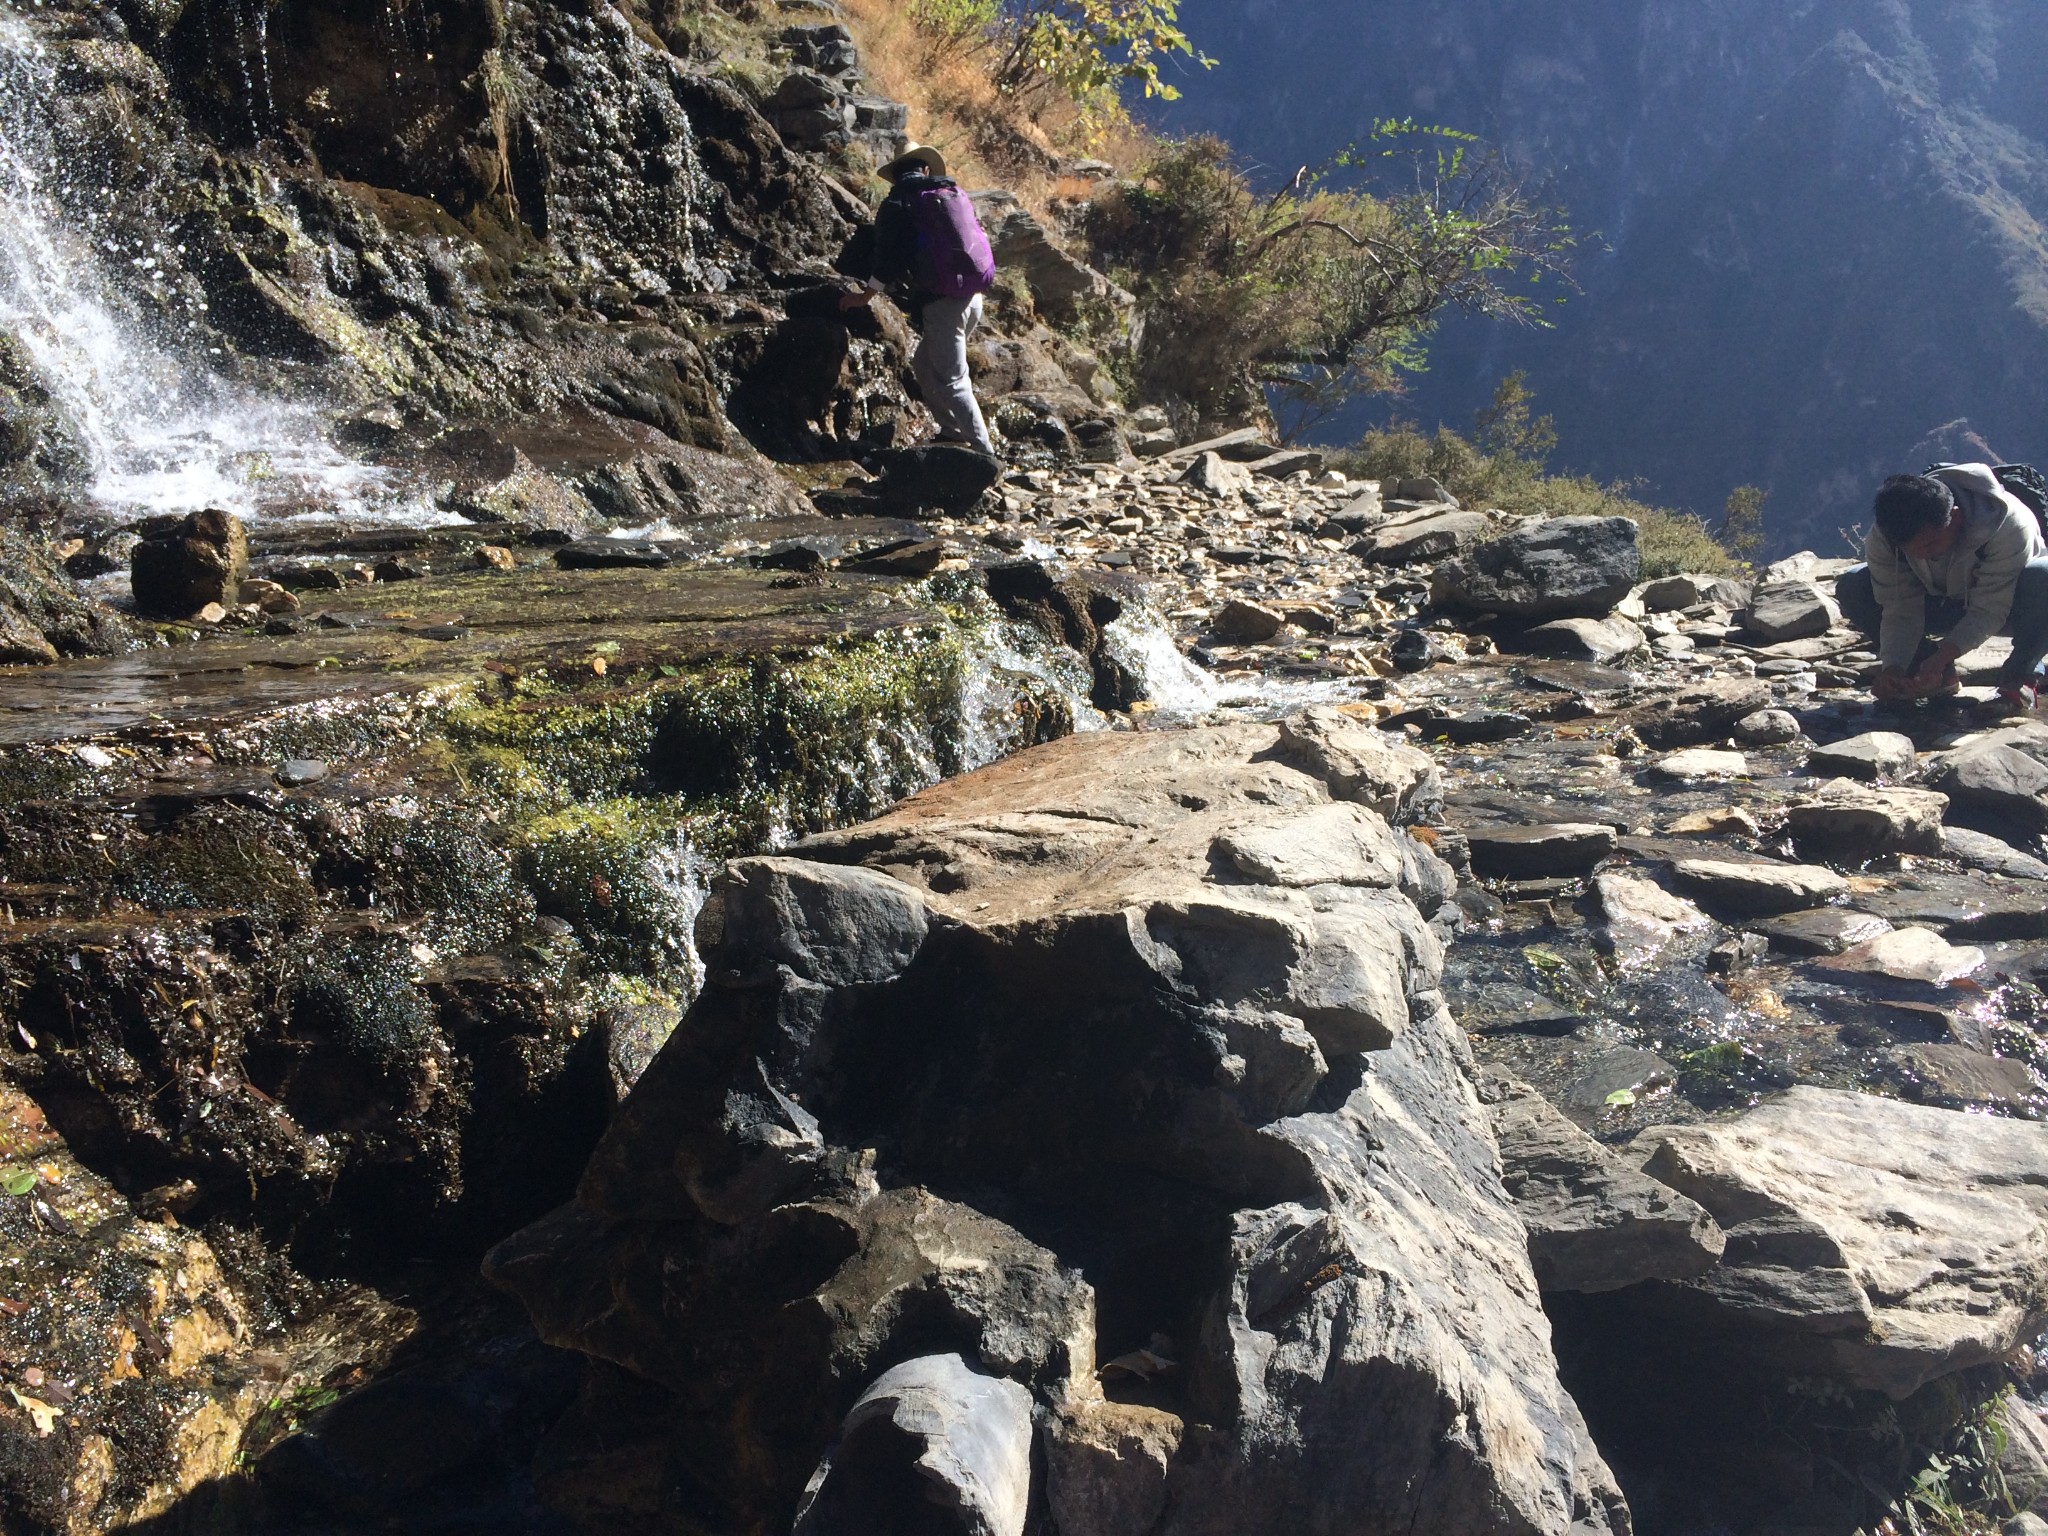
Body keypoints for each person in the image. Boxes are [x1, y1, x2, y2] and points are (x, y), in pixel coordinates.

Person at [1835, 466, 2048, 709]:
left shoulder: (2006, 523)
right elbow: (1898, 608)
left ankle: (2021, 676)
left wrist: (1944, 654)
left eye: (1931, 543)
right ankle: (1927, 676)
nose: (1922, 555)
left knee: (2044, 574)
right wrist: (1893, 667)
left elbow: (1990, 609)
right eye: (1911, 550)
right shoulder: (1885, 537)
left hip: (2019, 608)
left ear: (1955, 517)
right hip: (1944, 602)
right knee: (1854, 584)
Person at [840, 143, 997, 454]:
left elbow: (888, 260)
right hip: (973, 297)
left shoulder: (898, 203)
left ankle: (985, 453)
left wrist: (864, 297)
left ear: (895, 176)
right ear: (925, 169)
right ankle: (952, 431)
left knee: (953, 380)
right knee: (923, 364)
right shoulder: (951, 194)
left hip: (943, 304)